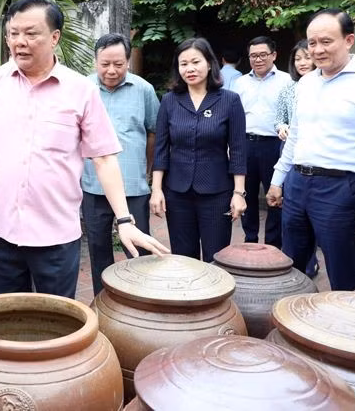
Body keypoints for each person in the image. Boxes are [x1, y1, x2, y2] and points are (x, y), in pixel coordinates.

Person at [0, 0, 170, 299]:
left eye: (31, 33)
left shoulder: (81, 90)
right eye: (14, 33)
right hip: (2, 233)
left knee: (58, 325)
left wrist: (124, 220)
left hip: (56, 237)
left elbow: (104, 158)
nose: (20, 42)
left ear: (54, 37)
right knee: (4, 323)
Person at [267, 9, 355, 291]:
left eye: (326, 41)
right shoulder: (306, 83)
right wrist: (279, 179)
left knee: (343, 273)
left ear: (349, 40)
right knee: (293, 267)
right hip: (298, 184)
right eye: (312, 43)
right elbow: (296, 135)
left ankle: (345, 330)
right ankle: (296, 326)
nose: (317, 50)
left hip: (341, 189)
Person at [151, 38, 247, 262]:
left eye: (195, 61)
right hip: (177, 192)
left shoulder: (229, 101)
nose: (190, 69)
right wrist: (157, 189)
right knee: (183, 259)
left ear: (210, 63)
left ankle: (214, 298)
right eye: (183, 64)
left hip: (216, 191)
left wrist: (238, 193)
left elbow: (239, 150)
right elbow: (161, 148)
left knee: (216, 257)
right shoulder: (169, 101)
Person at [81, 33, 160, 295]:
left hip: (133, 184)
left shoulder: (144, 90)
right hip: (93, 185)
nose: (111, 71)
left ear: (128, 62)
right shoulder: (83, 89)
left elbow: (153, 132)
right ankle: (102, 302)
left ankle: (140, 302)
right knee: (98, 249)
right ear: (95, 62)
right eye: (105, 64)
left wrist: (145, 170)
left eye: (118, 64)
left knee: (139, 253)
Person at [231, 36, 291, 249]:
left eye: (263, 55)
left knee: (275, 195)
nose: (258, 59)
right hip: (245, 144)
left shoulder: (286, 81)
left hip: (274, 146)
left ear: (274, 55)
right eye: (253, 56)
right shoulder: (239, 83)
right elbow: (233, 117)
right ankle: (250, 240)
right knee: (246, 193)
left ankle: (273, 244)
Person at [275, 40, 319, 278]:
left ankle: (311, 261)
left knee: (313, 215)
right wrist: (281, 127)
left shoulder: (325, 85)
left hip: (318, 159)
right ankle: (293, 262)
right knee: (294, 215)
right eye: (297, 59)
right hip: (290, 153)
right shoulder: (289, 88)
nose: (302, 63)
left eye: (306, 57)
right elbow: (278, 117)